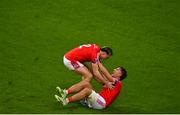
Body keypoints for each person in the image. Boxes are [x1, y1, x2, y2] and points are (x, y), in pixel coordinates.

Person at [55, 67, 127, 109]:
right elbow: (97, 76)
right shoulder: (111, 81)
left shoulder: (118, 83)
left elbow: (105, 73)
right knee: (86, 83)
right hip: (99, 98)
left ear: (120, 75)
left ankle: (65, 101)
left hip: (102, 103)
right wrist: (86, 66)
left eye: (117, 70)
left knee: (87, 90)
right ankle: (65, 92)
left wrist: (97, 61)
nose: (114, 69)